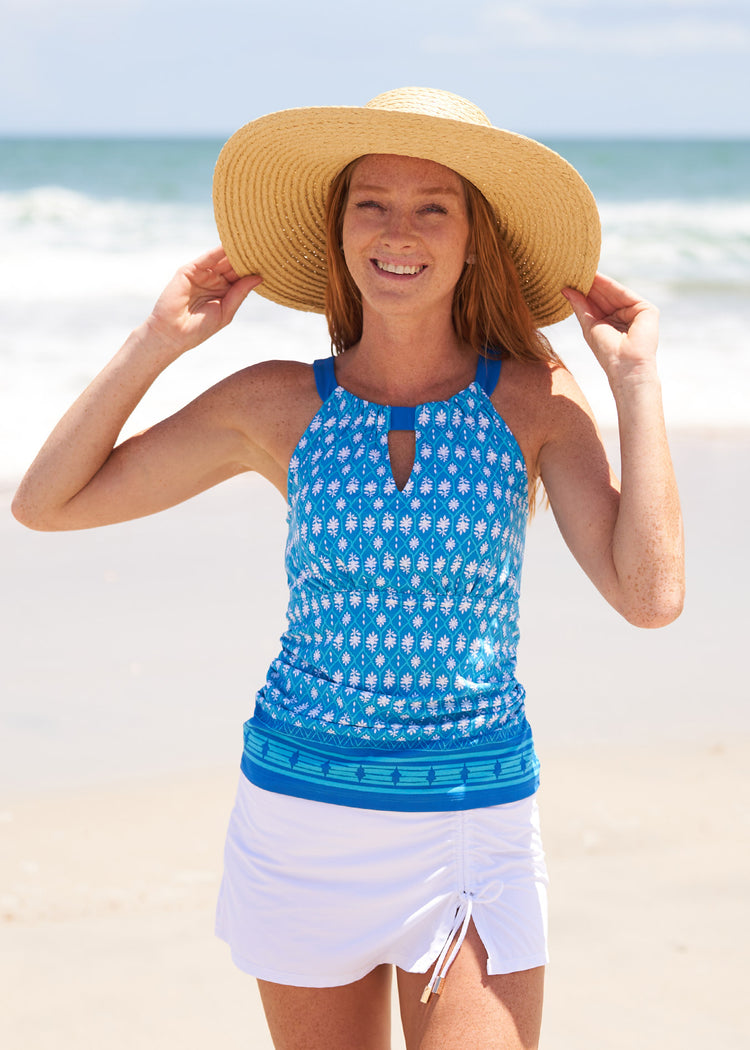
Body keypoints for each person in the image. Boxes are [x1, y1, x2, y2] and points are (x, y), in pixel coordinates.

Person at [12, 88, 685, 1050]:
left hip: (471, 819)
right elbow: (47, 504)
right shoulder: (275, 405)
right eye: (371, 201)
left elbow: (651, 597)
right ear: (336, 233)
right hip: (300, 820)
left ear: (471, 238)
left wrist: (636, 382)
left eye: (432, 206)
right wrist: (157, 342)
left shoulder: (534, 401)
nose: (397, 229)